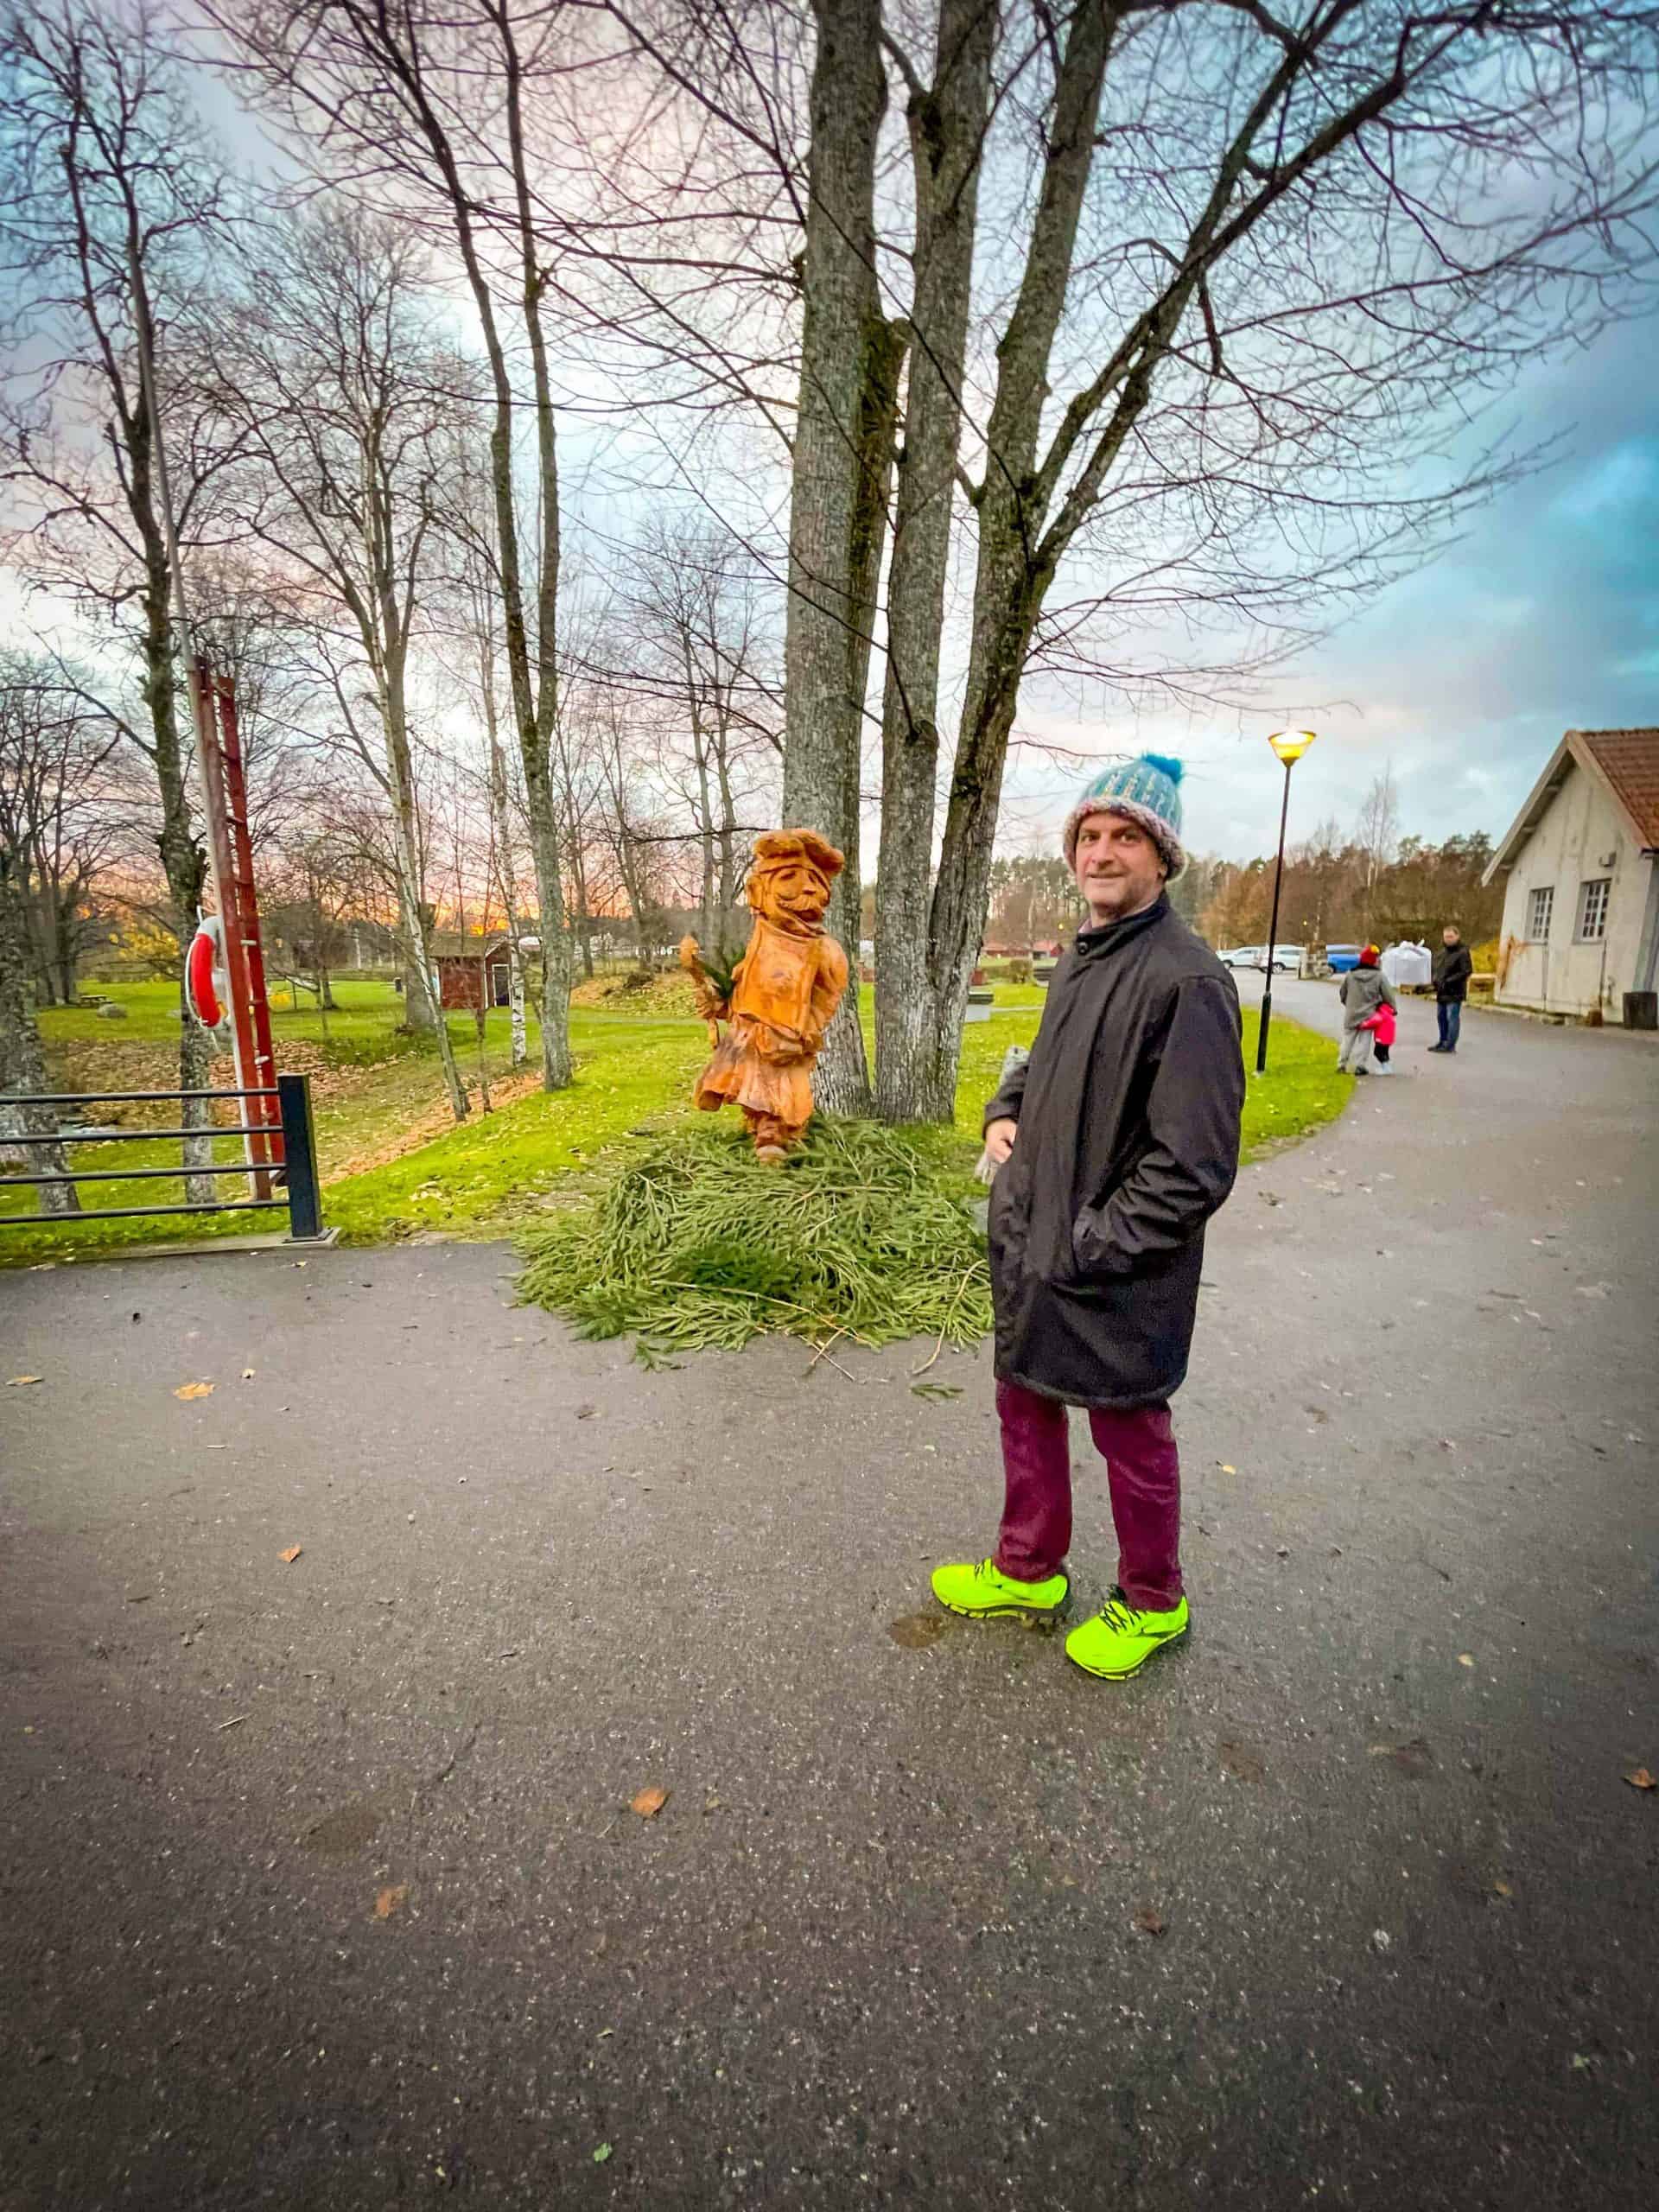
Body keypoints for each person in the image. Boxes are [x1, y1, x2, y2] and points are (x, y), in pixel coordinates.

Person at [931, 753, 1245, 1681]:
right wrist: (1003, 1107)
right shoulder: (1082, 953)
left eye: (1126, 836)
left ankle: (1155, 1600)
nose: (1103, 852)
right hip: (1037, 1241)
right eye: (1090, 836)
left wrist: (1089, 1242)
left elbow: (1193, 1164)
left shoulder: (1188, 981)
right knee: (1022, 1400)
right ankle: (1029, 1568)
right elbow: (1043, 1060)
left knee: (1128, 1429)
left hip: (1111, 1262)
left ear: (1163, 856)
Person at [1338, 944, 1395, 1073]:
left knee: (1347, 1039)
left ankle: (1342, 1063)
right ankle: (1360, 1066)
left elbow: (1343, 993)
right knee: (1364, 1041)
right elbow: (1388, 994)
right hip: (1369, 1015)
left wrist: (1348, 1004)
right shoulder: (1379, 976)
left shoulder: (1351, 975)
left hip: (1351, 1013)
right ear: (1374, 960)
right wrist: (1392, 1008)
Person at [1430, 925, 1472, 1052]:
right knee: (1441, 1017)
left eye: (1450, 936)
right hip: (1442, 991)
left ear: (1457, 937)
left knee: (1452, 1017)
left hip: (1455, 991)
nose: (1448, 939)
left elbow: (1466, 971)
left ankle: (1450, 1045)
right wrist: (1435, 980)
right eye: (1446, 937)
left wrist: (1449, 981)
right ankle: (1442, 1041)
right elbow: (1437, 968)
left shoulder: (1463, 952)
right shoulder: (1442, 953)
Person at [1359, 994, 1396, 1073]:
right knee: (1385, 1053)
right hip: (1389, 1039)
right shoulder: (1389, 1012)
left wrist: (1362, 1024)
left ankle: (1386, 1068)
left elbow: (1371, 1022)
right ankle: (1387, 1067)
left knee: (1377, 1053)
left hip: (1381, 1039)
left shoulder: (1381, 1014)